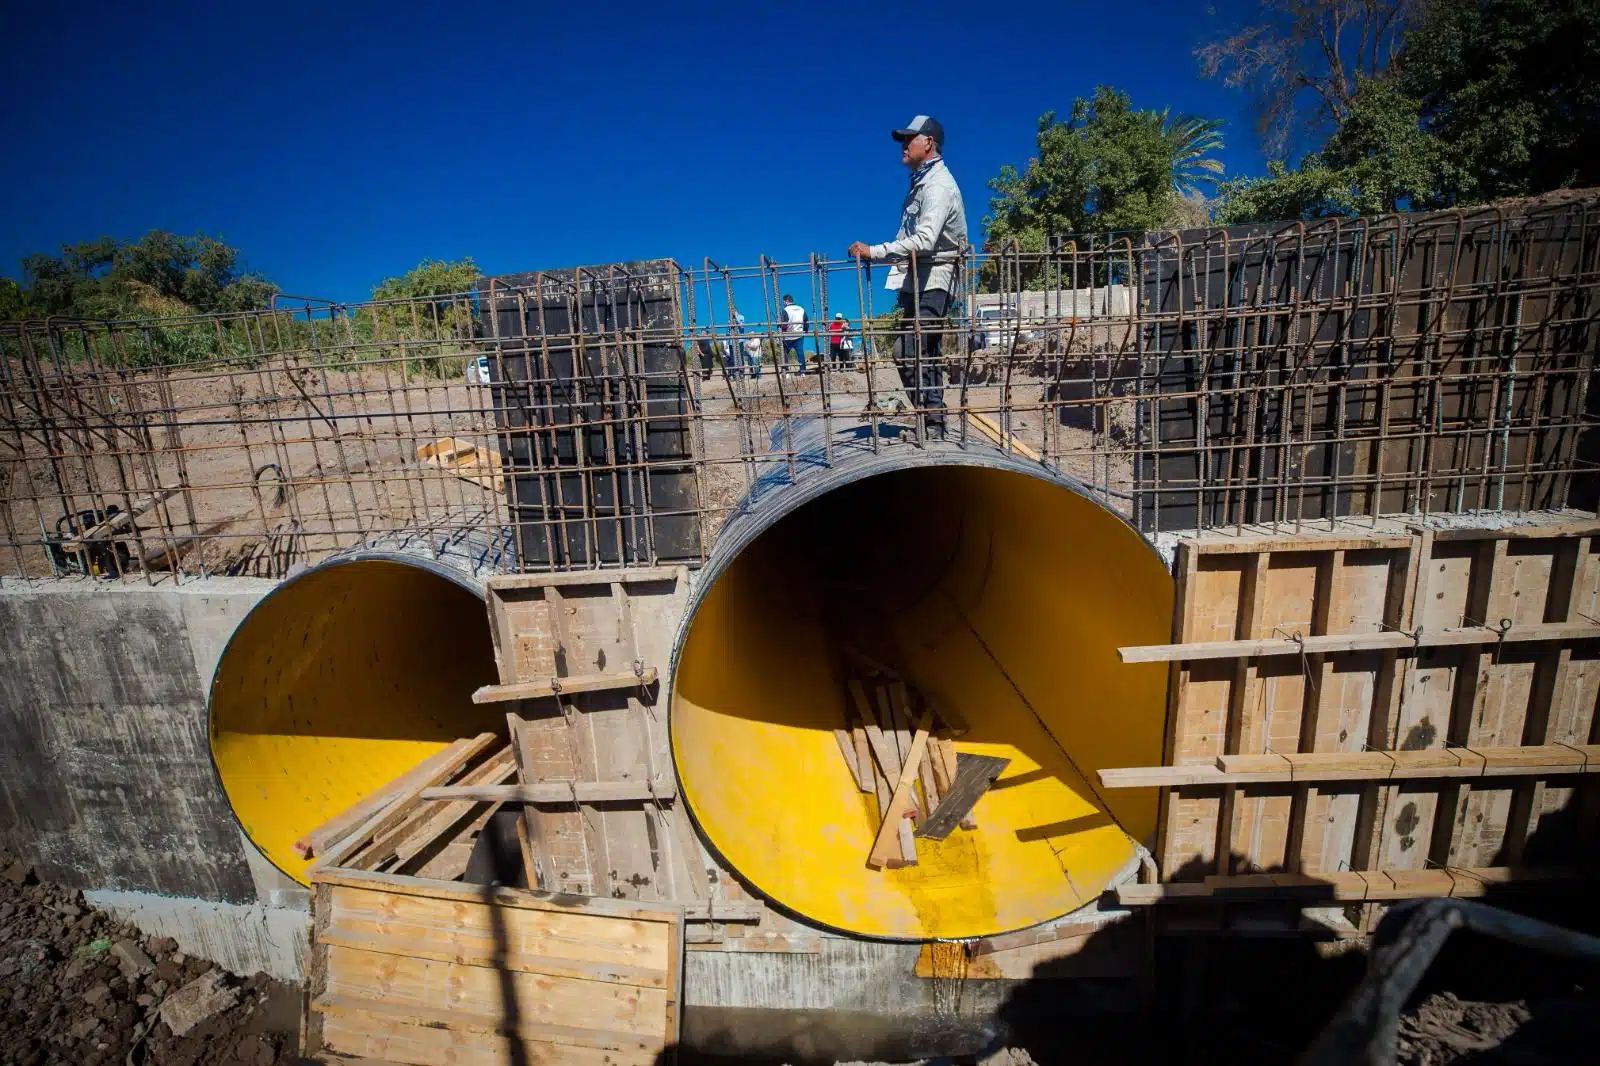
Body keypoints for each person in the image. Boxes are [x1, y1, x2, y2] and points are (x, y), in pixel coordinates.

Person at [847, 114, 968, 438]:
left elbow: (926, 239)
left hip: (936, 280)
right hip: (918, 279)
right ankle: (931, 420)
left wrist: (875, 251)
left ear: (928, 143)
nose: (903, 145)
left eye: (909, 138)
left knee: (914, 349)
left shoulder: (939, 186)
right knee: (914, 350)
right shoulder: (921, 183)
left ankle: (934, 423)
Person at [780, 294, 808, 373]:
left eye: (784, 301)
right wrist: (805, 330)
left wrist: (782, 333)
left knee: (784, 353)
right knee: (800, 353)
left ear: (786, 301)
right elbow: (806, 321)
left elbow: (784, 324)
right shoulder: (801, 309)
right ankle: (803, 371)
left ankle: (786, 371)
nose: (783, 303)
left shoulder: (786, 310)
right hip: (799, 334)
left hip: (788, 336)